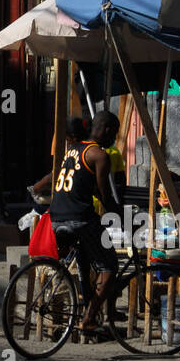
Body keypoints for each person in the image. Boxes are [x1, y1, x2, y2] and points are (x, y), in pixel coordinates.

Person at [29, 112, 122, 337]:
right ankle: (89, 319)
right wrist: (120, 216)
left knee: (86, 259)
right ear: (107, 129)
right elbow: (104, 194)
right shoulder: (99, 155)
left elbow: (82, 185)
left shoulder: (71, 151)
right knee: (109, 266)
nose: (115, 139)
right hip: (79, 218)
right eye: (115, 133)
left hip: (55, 217)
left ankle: (88, 305)